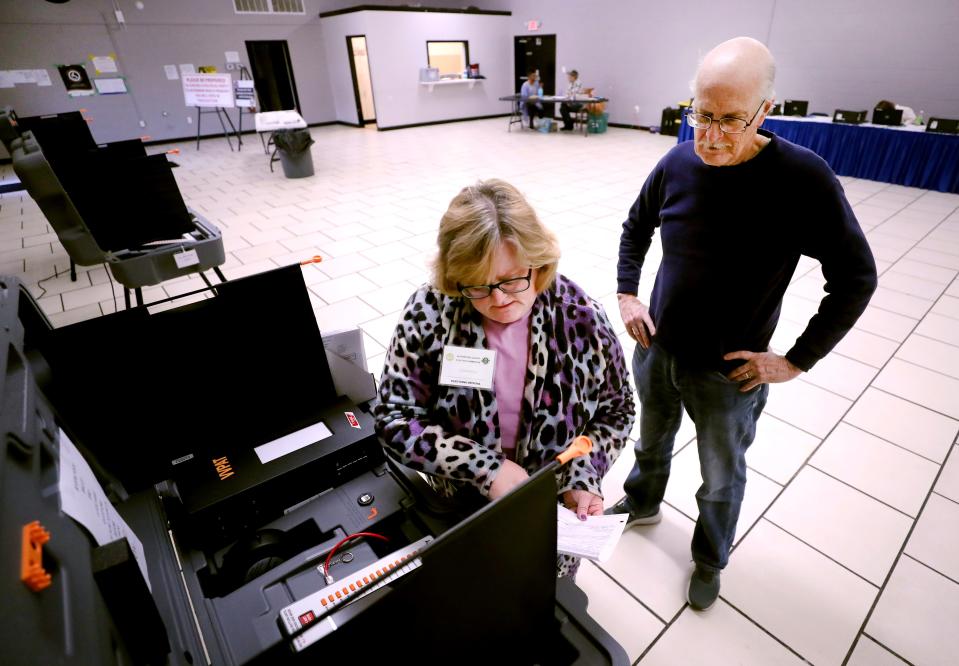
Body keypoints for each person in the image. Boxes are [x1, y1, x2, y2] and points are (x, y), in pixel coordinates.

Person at [608, 37, 877, 610]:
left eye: (729, 120)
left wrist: (797, 359)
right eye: (700, 115)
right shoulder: (677, 161)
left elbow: (856, 278)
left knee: (720, 476)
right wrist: (629, 294)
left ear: (765, 111)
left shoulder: (803, 179)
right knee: (650, 441)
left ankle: (709, 557)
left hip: (730, 373)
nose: (709, 136)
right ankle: (642, 500)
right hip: (657, 349)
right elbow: (636, 227)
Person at [374, 179, 635, 577]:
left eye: (513, 279)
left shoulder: (580, 316)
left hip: (550, 509)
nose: (498, 300)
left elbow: (617, 410)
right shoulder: (430, 311)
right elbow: (394, 416)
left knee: (541, 596)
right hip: (459, 505)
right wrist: (484, 467)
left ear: (539, 262)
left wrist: (584, 472)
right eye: (478, 285)